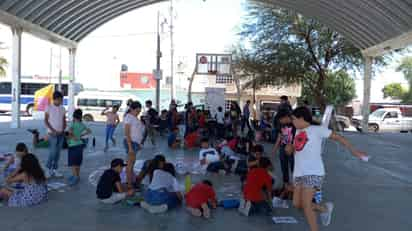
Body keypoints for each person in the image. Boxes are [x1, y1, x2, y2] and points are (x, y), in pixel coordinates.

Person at [290, 107, 367, 231]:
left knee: (306, 205)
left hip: (313, 172)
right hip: (299, 173)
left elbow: (339, 138)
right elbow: (298, 149)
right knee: (297, 204)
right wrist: (290, 148)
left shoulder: (317, 130)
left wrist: (355, 151)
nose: (292, 122)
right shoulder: (297, 131)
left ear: (301, 118)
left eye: (293, 119)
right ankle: (324, 208)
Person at [123, 101, 145, 194]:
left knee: (131, 163)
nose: (138, 112)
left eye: (139, 111)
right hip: (131, 143)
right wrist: (130, 147)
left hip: (135, 143)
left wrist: (139, 144)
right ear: (132, 109)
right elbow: (127, 133)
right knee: (130, 164)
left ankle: (131, 181)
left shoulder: (134, 117)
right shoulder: (129, 117)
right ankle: (129, 184)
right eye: (137, 111)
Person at [44, 91, 66, 178]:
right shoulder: (48, 107)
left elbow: (64, 120)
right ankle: (47, 169)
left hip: (61, 134)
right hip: (52, 134)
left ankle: (55, 170)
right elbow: (46, 121)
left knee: (58, 153)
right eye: (60, 99)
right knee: (52, 152)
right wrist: (53, 130)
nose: (61, 101)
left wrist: (63, 129)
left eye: (62, 99)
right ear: (56, 99)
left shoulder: (63, 108)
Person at [67, 109, 91, 186]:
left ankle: (75, 177)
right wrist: (80, 136)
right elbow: (89, 131)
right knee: (78, 162)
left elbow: (69, 133)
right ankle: (77, 176)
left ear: (74, 116)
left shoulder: (73, 124)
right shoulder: (82, 124)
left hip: (73, 145)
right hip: (80, 145)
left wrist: (73, 137)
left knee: (73, 163)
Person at [272, 109, 296, 186]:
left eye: (280, 120)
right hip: (283, 147)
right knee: (284, 166)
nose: (280, 122)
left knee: (294, 167)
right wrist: (275, 149)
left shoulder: (296, 124)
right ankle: (286, 183)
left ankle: (296, 184)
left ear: (285, 117)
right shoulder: (281, 125)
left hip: (293, 149)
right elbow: (280, 136)